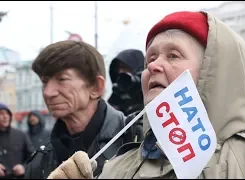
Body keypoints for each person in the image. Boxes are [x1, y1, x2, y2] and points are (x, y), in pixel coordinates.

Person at [47, 11, 245, 179]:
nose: (153, 67)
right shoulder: (117, 168)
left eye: (173, 56)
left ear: (215, 70)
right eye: (151, 58)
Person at [23, 41, 136, 179]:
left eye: (62, 79)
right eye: (45, 82)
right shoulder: (40, 161)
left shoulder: (135, 142)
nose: (48, 92)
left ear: (96, 87)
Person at [0, 103, 35, 179]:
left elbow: (33, 157)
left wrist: (24, 167)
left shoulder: (20, 135)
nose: (5, 116)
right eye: (1, 114)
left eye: (7, 113)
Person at [108, 49, 145, 116]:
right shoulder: (116, 95)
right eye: (118, 68)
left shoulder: (149, 93)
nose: (120, 71)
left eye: (125, 67)